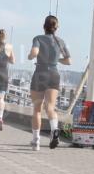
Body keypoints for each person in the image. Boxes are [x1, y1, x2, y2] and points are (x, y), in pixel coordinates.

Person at [27, 15, 70, 151]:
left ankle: (36, 141)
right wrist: (57, 60)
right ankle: (54, 129)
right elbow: (69, 61)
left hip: (40, 73)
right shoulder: (61, 42)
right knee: (50, 107)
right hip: (54, 75)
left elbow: (34, 53)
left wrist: (30, 56)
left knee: (37, 109)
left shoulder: (38, 38)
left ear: (44, 26)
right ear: (56, 28)